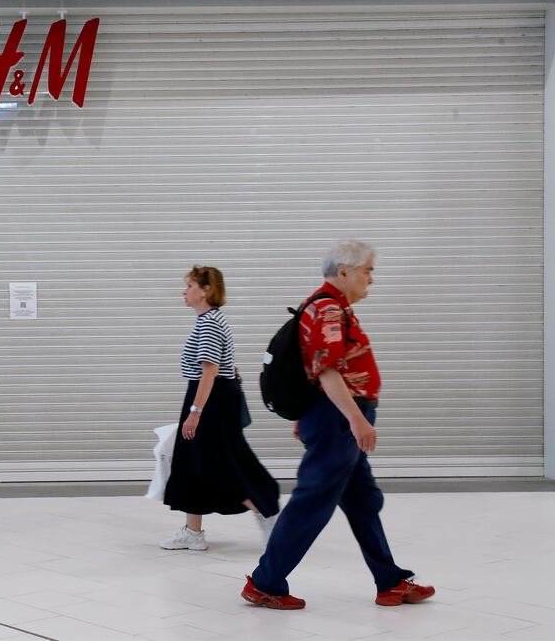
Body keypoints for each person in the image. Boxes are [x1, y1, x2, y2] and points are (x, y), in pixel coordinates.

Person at [243, 240, 434, 610]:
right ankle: (265, 582)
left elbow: (308, 369)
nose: (371, 280)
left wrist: (308, 415)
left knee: (362, 502)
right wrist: (357, 420)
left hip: (332, 417)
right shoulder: (330, 309)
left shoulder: (325, 305)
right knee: (312, 501)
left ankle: (389, 581)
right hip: (340, 421)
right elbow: (327, 371)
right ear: (343, 272)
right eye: (367, 271)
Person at [160, 266, 280, 551]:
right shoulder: (207, 321)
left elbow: (210, 371)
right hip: (210, 396)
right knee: (193, 462)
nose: (184, 291)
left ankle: (266, 514)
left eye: (189, 285)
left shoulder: (210, 323)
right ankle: (193, 532)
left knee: (216, 464)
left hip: (210, 399)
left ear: (205, 290)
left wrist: (195, 412)